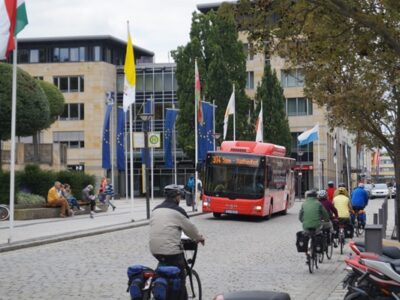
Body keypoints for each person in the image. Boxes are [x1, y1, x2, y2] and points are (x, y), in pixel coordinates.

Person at [149, 184, 205, 300]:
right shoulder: (178, 211)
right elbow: (191, 229)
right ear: (176, 197)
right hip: (172, 252)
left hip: (154, 250)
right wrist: (199, 238)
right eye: (180, 196)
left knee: (162, 271)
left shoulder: (155, 210)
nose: (180, 199)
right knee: (180, 276)